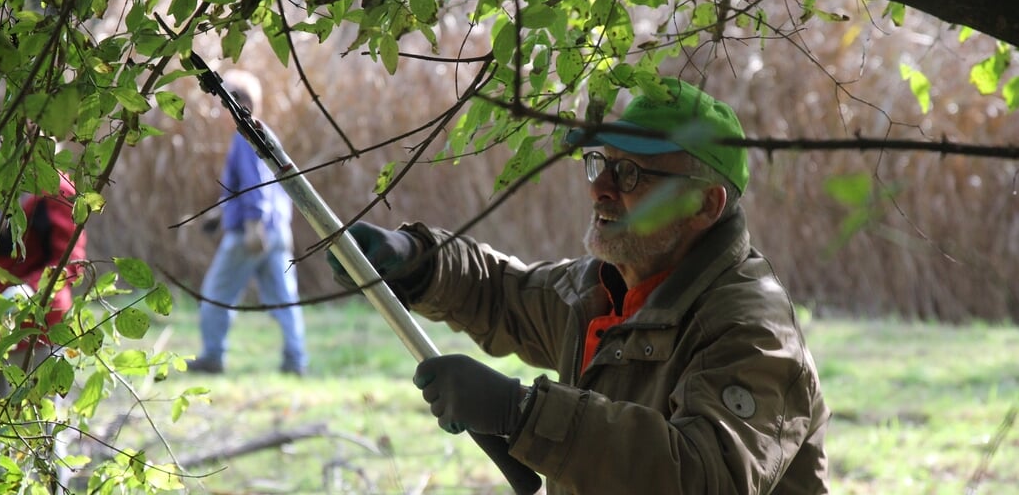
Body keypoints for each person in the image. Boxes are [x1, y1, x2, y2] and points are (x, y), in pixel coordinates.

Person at [329, 77, 830, 494]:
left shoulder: (752, 330)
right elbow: (505, 294)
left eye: (630, 173)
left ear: (705, 206)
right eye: (600, 163)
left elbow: (702, 477)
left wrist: (522, 412)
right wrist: (416, 261)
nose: (600, 187)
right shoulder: (607, 286)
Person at [187, 70, 308, 376]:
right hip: (277, 230)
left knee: (216, 293)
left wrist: (253, 225)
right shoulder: (264, 133)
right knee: (284, 299)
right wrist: (219, 214)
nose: (219, 106)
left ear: (239, 101)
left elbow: (255, 187)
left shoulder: (245, 136)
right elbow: (268, 184)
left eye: (225, 97)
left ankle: (213, 356)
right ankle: (296, 360)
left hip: (250, 233)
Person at [0, 171, 87, 495]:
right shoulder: (3, 175)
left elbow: (69, 262)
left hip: (37, 329)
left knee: (40, 429)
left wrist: (26, 295)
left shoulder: (56, 190)